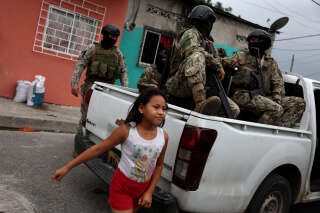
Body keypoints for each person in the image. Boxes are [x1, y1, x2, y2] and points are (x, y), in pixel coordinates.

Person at [52, 88, 169, 213]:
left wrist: (149, 192)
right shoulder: (127, 131)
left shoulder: (163, 137)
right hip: (122, 187)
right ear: (141, 108)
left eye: (164, 109)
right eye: (156, 107)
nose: (161, 112)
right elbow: (97, 149)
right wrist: (67, 167)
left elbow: (159, 165)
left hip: (142, 189)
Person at [165, 5, 239, 117]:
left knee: (233, 110)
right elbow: (193, 51)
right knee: (197, 56)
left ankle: (207, 124)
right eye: (208, 22)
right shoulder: (189, 33)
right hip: (178, 84)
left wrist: (235, 60)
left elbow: (217, 59)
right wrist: (217, 66)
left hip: (202, 85)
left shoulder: (207, 42)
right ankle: (200, 104)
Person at [222, 29, 305, 127]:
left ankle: (279, 129)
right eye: (252, 40)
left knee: (298, 103)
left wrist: (277, 99)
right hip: (242, 95)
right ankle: (257, 131)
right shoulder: (241, 56)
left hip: (264, 96)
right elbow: (221, 62)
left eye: (257, 40)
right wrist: (221, 69)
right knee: (275, 108)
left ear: (265, 43)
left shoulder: (270, 63)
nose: (253, 43)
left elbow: (278, 83)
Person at [70, 24, 129, 135]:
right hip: (91, 87)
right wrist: (74, 84)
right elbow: (80, 65)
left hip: (108, 90)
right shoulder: (92, 48)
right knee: (86, 115)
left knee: (102, 117)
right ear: (105, 35)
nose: (114, 39)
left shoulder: (117, 53)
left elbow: (123, 72)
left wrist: (125, 90)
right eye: (112, 36)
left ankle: (95, 139)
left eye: (116, 37)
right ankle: (80, 137)